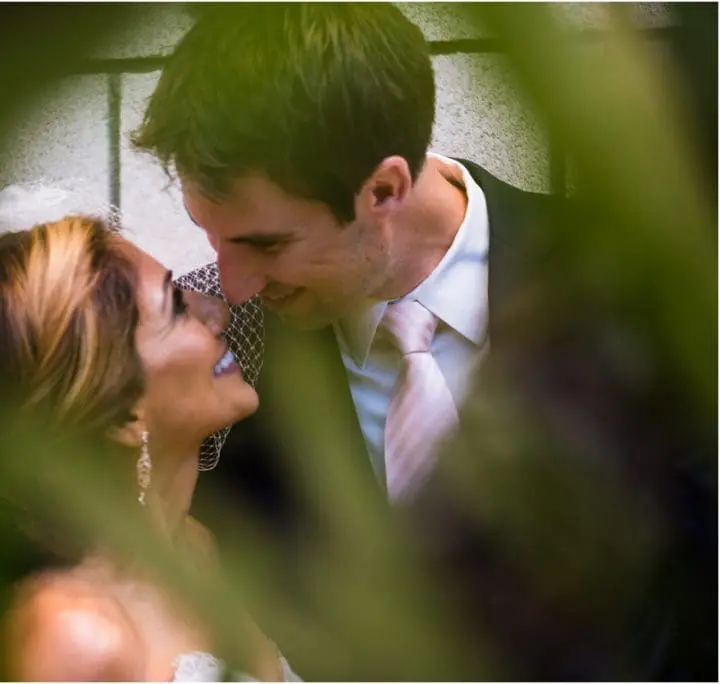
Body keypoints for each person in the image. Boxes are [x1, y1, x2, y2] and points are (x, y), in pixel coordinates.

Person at [132, 4, 715, 680]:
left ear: (384, 188)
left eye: (267, 244)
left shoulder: (622, 297)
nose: (230, 286)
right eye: (215, 239)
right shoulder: (222, 358)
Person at [0, 211, 303, 681]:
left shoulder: (197, 548)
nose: (218, 309)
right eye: (177, 310)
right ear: (121, 413)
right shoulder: (67, 640)